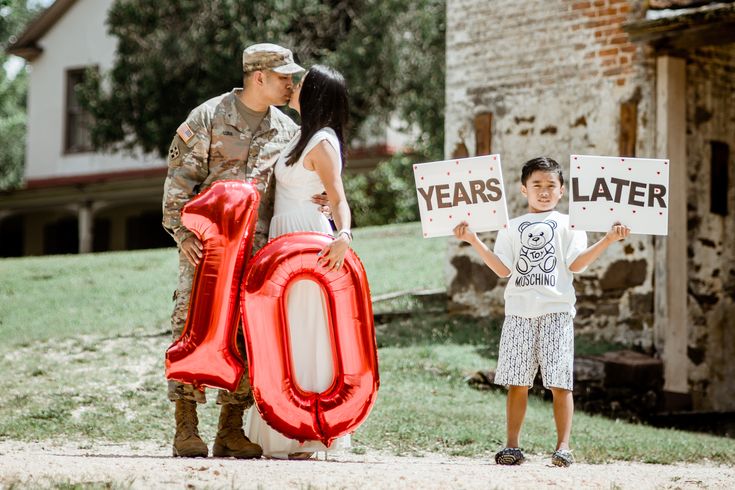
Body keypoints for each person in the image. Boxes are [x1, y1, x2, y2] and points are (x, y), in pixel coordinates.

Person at [162, 43, 318, 459]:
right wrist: (183, 233)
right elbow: (179, 182)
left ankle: (230, 429)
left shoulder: (286, 131)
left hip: (257, 253)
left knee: (250, 336)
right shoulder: (208, 116)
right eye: (284, 76)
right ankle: (186, 426)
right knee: (191, 329)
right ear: (259, 77)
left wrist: (319, 199)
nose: (291, 84)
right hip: (207, 250)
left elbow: (298, 183)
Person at [453, 157, 630, 467]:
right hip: (519, 314)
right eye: (537, 185)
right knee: (517, 383)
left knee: (561, 383)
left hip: (557, 313)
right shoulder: (512, 227)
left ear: (562, 191)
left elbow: (577, 264)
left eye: (551, 185)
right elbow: (502, 269)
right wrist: (474, 240)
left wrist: (608, 239)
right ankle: (512, 446)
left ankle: (563, 448)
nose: (544, 191)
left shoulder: (570, 225)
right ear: (524, 189)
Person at [244, 64, 353, 460]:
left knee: (307, 332)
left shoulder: (322, 141)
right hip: (283, 237)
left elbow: (338, 196)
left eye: (302, 83)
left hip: (307, 239)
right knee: (285, 334)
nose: (294, 87)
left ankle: (311, 429)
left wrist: (343, 234)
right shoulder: (299, 137)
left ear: (316, 93)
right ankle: (283, 424)